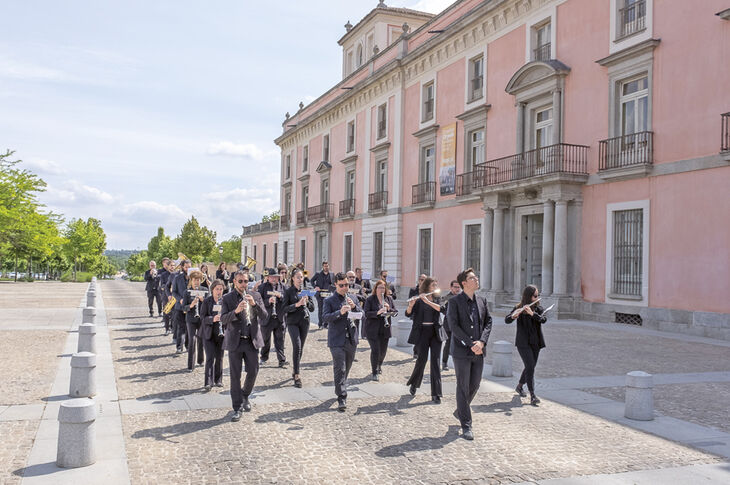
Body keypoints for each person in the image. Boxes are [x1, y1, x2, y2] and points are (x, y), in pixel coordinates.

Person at [447, 268, 492, 441]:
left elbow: (488, 322)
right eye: (473, 278)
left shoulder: (482, 300)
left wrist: (482, 342)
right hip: (461, 351)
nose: (477, 279)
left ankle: (460, 410)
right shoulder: (455, 302)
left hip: (479, 350)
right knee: (463, 386)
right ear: (464, 283)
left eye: (476, 277)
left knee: (475, 385)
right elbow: (454, 326)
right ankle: (466, 424)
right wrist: (470, 343)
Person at [221, 270, 267, 421]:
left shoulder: (256, 296)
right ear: (234, 282)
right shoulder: (227, 298)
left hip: (251, 341)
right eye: (240, 281)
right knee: (235, 376)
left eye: (246, 281)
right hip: (235, 341)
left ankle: (245, 394)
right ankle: (237, 407)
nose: (243, 284)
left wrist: (254, 305)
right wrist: (236, 311)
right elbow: (223, 319)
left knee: (253, 370)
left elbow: (264, 316)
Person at [322, 272, 362, 412]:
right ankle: (342, 397)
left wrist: (354, 308)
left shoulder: (353, 297)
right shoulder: (329, 301)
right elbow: (325, 318)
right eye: (342, 285)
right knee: (340, 368)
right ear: (335, 285)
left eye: (347, 285)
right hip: (336, 340)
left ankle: (340, 386)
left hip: (351, 339)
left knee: (347, 368)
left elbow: (360, 315)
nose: (345, 287)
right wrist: (340, 312)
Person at [505, 284, 547, 406]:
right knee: (530, 366)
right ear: (528, 296)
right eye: (535, 296)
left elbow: (543, 320)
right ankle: (533, 395)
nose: (537, 297)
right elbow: (507, 320)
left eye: (537, 295)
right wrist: (514, 315)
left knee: (531, 366)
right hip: (523, 343)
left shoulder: (538, 309)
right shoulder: (519, 307)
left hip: (536, 342)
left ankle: (519, 386)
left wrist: (532, 314)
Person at [405, 277, 444, 404]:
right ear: (427, 286)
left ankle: (436, 393)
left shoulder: (436, 298)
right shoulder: (419, 299)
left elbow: (441, 309)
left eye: (436, 285)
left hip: (435, 332)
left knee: (435, 362)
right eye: (433, 285)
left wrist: (427, 301)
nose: (435, 287)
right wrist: (410, 306)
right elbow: (408, 314)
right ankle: (414, 384)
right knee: (421, 360)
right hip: (422, 333)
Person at [282, 267, 315, 388]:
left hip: (304, 322)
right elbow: (284, 309)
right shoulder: (288, 291)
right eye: (298, 277)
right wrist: (296, 304)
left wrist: (307, 303)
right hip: (292, 322)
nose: (300, 279)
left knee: (300, 348)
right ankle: (297, 375)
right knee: (297, 346)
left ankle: (295, 368)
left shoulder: (306, 291)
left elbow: (312, 309)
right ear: (293, 278)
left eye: (301, 277)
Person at [363, 280, 396, 381]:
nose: (381, 290)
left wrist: (389, 309)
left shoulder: (389, 299)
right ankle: (374, 371)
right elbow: (366, 313)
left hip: (385, 329)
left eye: (383, 288)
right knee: (375, 350)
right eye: (379, 288)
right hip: (372, 330)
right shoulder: (370, 299)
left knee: (383, 352)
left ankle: (379, 365)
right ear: (375, 289)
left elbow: (395, 312)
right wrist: (377, 312)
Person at [258, 268, 287, 368]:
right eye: (272, 277)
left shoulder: (283, 287)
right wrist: (268, 301)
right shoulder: (262, 287)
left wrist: (281, 296)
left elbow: (287, 301)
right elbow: (258, 302)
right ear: (268, 277)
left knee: (280, 339)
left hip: (279, 317)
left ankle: (281, 360)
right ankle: (263, 357)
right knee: (265, 339)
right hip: (266, 317)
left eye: (276, 277)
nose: (274, 279)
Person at [200, 279, 226, 390]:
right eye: (217, 289)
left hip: (221, 333)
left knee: (219, 357)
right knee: (210, 357)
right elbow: (202, 317)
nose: (219, 291)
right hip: (208, 333)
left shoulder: (225, 301)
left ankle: (218, 380)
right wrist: (212, 319)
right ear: (212, 290)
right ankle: (208, 382)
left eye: (221, 289)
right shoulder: (207, 301)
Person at [182, 268, 207, 371]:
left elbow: (209, 305)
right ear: (191, 280)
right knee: (192, 341)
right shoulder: (187, 292)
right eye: (195, 280)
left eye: (198, 280)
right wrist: (191, 305)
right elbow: (183, 308)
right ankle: (190, 366)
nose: (197, 282)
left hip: (201, 319)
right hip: (191, 319)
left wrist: (203, 300)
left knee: (201, 340)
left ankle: (200, 360)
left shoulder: (204, 291)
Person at [171, 260, 192, 353]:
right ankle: (179, 347)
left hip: (190, 306)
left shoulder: (193, 277)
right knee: (181, 327)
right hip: (179, 307)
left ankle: (188, 345)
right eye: (186, 267)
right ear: (182, 267)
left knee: (189, 328)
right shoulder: (177, 278)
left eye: (189, 267)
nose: (188, 269)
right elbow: (174, 292)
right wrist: (180, 299)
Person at [441, 280, 462, 371]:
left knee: (460, 345)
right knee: (448, 344)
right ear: (451, 287)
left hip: (460, 325)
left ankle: (459, 364)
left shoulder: (462, 297)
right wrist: (449, 313)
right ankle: (444, 362)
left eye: (459, 287)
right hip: (449, 325)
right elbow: (441, 309)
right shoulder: (446, 297)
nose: (457, 289)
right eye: (455, 287)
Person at [312, 261, 334, 329]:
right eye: (325, 266)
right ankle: (320, 324)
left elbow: (334, 282)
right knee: (320, 309)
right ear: (322, 267)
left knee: (327, 309)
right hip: (320, 294)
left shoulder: (332, 274)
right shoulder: (318, 274)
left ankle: (326, 324)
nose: (326, 267)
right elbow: (311, 280)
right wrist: (315, 287)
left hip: (328, 294)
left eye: (327, 266)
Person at [158, 258, 173, 333]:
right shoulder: (164, 275)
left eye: (173, 266)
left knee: (174, 313)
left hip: (175, 296)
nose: (172, 267)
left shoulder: (177, 274)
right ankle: (167, 329)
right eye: (171, 266)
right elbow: (162, 285)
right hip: (166, 296)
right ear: (168, 266)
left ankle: (173, 327)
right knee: (167, 312)